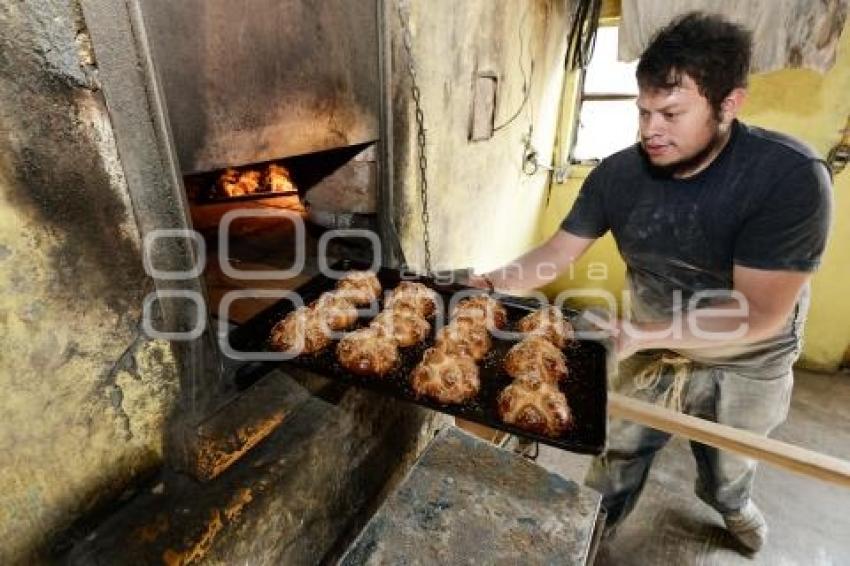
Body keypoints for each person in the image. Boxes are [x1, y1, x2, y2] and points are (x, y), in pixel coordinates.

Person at [471, 12, 832, 554]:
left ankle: (731, 506)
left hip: (747, 358)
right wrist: (492, 282)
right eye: (642, 111)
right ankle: (592, 531)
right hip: (647, 339)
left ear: (730, 105)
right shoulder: (619, 175)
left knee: (728, 462)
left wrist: (643, 335)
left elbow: (758, 312)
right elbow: (555, 254)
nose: (649, 130)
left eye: (671, 113)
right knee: (618, 449)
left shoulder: (788, 178)